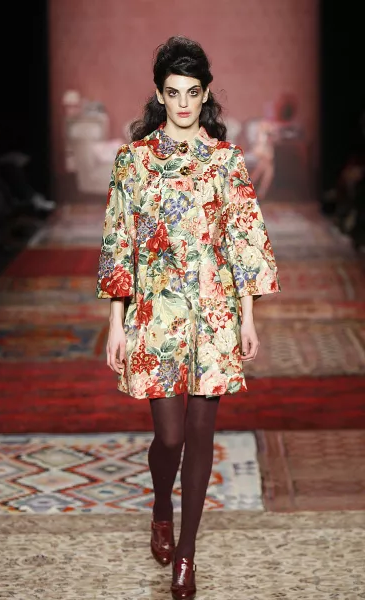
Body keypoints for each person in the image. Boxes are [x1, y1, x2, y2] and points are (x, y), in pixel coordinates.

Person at [96, 36, 280, 599]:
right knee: (170, 437)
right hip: (156, 313)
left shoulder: (226, 162)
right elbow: (118, 243)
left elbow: (245, 240)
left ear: (205, 95)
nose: (182, 103)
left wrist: (247, 318)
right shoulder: (134, 161)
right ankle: (161, 506)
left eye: (192, 93)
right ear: (159, 94)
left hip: (214, 313)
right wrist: (116, 323)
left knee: (201, 436)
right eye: (172, 92)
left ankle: (187, 556)